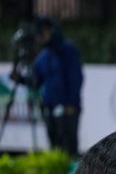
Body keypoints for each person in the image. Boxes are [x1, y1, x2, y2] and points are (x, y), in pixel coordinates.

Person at [32, 16, 83, 157]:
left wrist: (71, 104)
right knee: (55, 149)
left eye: (44, 32)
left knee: (69, 149)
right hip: (50, 109)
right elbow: (36, 80)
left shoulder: (68, 50)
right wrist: (20, 78)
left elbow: (75, 79)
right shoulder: (44, 56)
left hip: (68, 109)